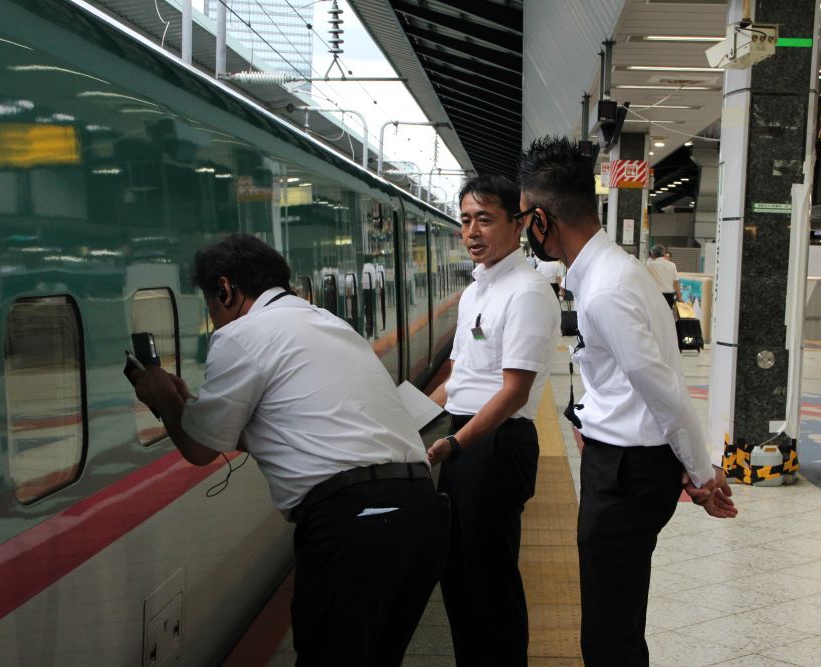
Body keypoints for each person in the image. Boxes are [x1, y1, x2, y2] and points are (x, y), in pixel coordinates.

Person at [129, 234, 447, 666]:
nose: (214, 321)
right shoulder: (330, 324)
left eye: (210, 305)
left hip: (355, 525)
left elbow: (202, 450)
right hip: (421, 514)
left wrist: (164, 399)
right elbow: (280, 424)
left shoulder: (241, 335)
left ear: (225, 289)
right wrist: (189, 406)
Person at [518, 136, 736, 667]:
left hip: (625, 473)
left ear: (543, 220)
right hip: (628, 465)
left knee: (609, 629)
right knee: (612, 613)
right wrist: (688, 469)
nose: (523, 228)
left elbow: (662, 391)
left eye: (524, 216)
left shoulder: (608, 289)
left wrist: (702, 475)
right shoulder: (608, 273)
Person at [426, 175, 560, 666]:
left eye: (485, 219)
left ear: (519, 223)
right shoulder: (475, 293)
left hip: (497, 445)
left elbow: (513, 392)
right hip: (466, 441)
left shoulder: (525, 292)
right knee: (457, 573)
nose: (472, 231)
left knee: (490, 576)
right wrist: (405, 422)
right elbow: (457, 380)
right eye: (465, 220)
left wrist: (455, 443)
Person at [645, 244, 682, 308]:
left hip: (657, 296)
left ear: (652, 254)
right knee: (668, 315)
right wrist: (679, 297)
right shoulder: (672, 265)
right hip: (670, 296)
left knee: (657, 316)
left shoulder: (651, 265)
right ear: (664, 253)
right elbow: (675, 283)